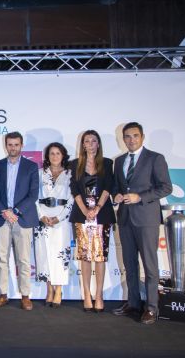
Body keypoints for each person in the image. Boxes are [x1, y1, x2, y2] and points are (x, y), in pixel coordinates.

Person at [112, 122, 172, 325]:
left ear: (142, 137)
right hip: (125, 218)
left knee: (150, 265)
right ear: (123, 139)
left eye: (135, 136)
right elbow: (116, 187)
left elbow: (166, 188)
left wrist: (140, 197)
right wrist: (117, 196)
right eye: (127, 136)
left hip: (146, 219)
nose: (131, 140)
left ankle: (152, 307)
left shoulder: (155, 158)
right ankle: (134, 303)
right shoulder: (119, 161)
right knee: (129, 264)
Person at [0, 131, 39, 310]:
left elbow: (33, 194)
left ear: (21, 145)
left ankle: (25, 296)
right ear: (6, 145)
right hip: (1, 218)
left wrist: (15, 211)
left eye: (16, 144)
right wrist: (4, 211)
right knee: (1, 258)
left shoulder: (31, 167)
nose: (13, 148)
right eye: (10, 144)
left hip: (23, 218)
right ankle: (3, 294)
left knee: (24, 260)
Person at [69, 130, 116, 312]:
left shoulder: (107, 163)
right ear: (83, 145)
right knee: (85, 257)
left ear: (98, 144)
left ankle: (99, 295)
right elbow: (74, 188)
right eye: (87, 141)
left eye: (93, 140)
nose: (90, 143)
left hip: (102, 214)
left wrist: (97, 208)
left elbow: (108, 186)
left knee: (100, 257)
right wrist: (85, 210)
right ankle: (87, 294)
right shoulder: (74, 164)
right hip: (82, 216)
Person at [33, 142, 73, 308]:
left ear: (63, 155)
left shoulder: (71, 174)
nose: (55, 156)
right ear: (47, 157)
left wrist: (59, 217)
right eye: (51, 153)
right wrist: (41, 216)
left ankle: (58, 290)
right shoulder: (39, 174)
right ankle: (49, 289)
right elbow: (33, 196)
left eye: (58, 153)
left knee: (60, 255)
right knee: (44, 255)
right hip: (42, 219)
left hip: (61, 220)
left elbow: (72, 200)